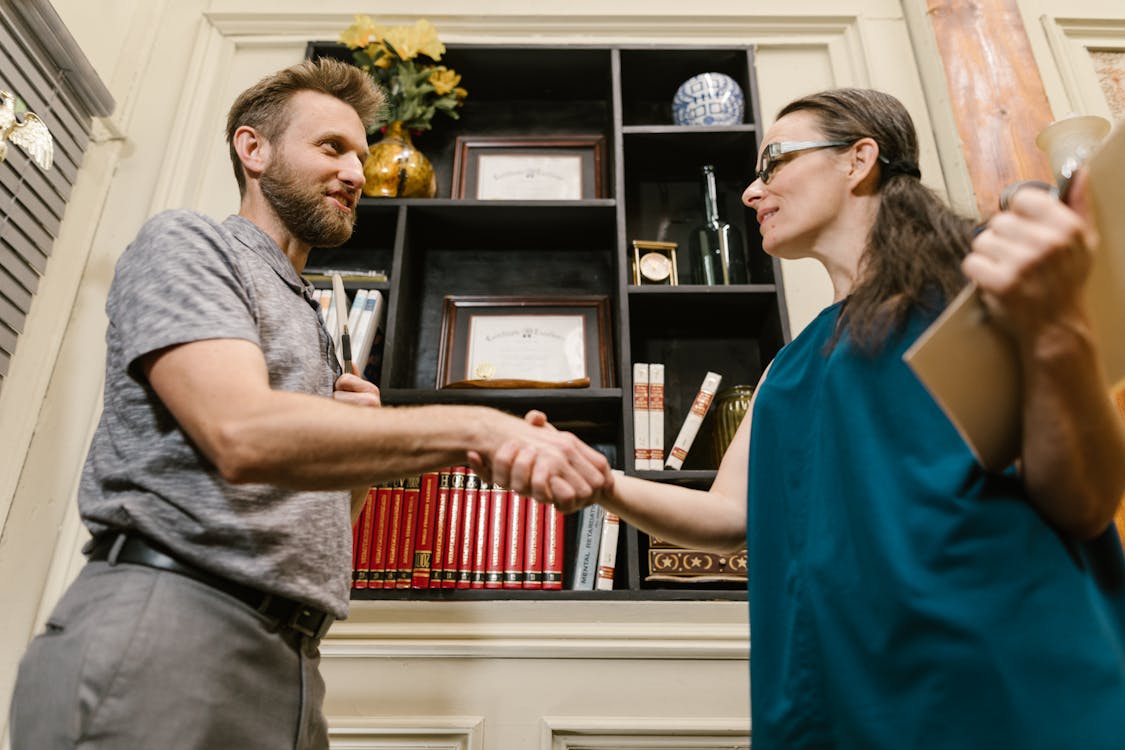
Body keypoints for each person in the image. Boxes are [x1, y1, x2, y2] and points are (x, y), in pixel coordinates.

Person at [8, 57, 610, 750]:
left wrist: (357, 451)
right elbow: (240, 435)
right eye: (332, 148)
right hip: (169, 630)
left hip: (291, 655)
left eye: (361, 154)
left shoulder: (315, 322)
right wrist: (480, 428)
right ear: (252, 149)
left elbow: (319, 516)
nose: (358, 174)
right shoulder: (190, 244)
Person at [498, 88, 1125, 748]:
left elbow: (1082, 501)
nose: (749, 191)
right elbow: (729, 517)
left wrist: (1056, 335)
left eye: (772, 162)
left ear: (859, 160)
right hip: (838, 690)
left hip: (991, 671)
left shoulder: (989, 282)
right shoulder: (787, 367)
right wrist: (601, 484)